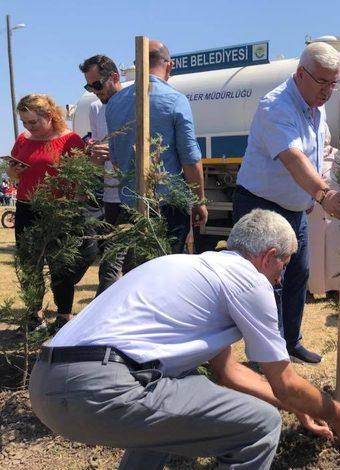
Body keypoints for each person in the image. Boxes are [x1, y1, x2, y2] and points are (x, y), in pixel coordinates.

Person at [28, 208, 340, 470]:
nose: (282, 277)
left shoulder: (193, 269)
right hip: (102, 390)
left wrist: (301, 407)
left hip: (47, 385)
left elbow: (229, 373)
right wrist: (334, 411)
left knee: (177, 399)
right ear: (268, 256)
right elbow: (285, 382)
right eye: (283, 265)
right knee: (261, 426)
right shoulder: (250, 281)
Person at [233, 42, 340, 364]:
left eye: (333, 83)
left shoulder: (315, 107)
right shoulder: (276, 107)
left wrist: (310, 196)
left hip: (295, 209)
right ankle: (269, 356)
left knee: (298, 275)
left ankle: (291, 343)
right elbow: (293, 159)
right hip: (262, 207)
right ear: (300, 74)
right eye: (322, 82)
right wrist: (323, 194)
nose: (328, 91)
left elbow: (316, 152)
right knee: (270, 282)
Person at [106, 39, 208, 255]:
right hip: (167, 206)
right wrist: (199, 201)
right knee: (167, 269)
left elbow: (115, 160)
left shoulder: (115, 104)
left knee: (138, 268)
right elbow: (190, 159)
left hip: (131, 205)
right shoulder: (175, 100)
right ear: (169, 65)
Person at [8, 94, 87, 330]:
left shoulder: (71, 140)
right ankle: (34, 314)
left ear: (49, 115)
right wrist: (13, 173)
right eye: (24, 122)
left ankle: (64, 316)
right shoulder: (23, 139)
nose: (28, 127)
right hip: (26, 207)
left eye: (33, 122)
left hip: (59, 210)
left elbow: (82, 180)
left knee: (61, 264)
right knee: (30, 264)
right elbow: (14, 174)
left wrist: (72, 202)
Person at [79, 54, 126, 295]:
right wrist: (95, 157)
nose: (94, 91)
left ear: (115, 78)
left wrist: (115, 152)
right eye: (89, 86)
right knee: (110, 260)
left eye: (97, 85)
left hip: (136, 194)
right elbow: (99, 157)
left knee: (128, 262)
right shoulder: (96, 108)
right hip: (110, 195)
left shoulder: (136, 101)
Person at [308, 124, 340, 296]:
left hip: (333, 212)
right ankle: (313, 288)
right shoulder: (307, 154)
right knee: (312, 251)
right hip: (311, 212)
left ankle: (334, 288)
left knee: (333, 251)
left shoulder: (338, 155)